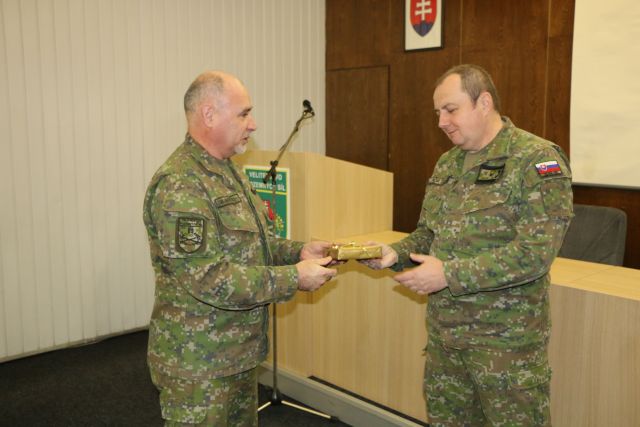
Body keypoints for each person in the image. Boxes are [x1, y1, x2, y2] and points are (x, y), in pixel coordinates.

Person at [362, 64, 573, 426]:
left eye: (450, 110)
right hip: (446, 341)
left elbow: (535, 254)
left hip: (504, 347)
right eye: (438, 113)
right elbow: (430, 234)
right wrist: (395, 253)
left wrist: (448, 274)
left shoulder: (536, 159)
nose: (442, 122)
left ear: (484, 102)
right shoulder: (449, 163)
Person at [142, 70, 337, 426]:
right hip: (199, 366)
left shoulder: (228, 171)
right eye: (244, 113)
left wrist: (299, 252)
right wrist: (293, 278)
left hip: (237, 356)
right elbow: (209, 278)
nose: (253, 124)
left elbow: (254, 245)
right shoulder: (181, 184)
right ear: (209, 115)